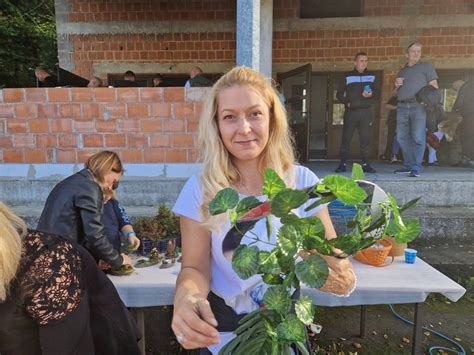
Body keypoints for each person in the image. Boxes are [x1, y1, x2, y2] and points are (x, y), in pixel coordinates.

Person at [171, 67, 356, 354]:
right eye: (229, 116)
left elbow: (331, 256)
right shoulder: (201, 188)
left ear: (272, 119)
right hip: (223, 334)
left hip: (283, 332)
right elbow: (195, 267)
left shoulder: (303, 182)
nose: (244, 128)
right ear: (216, 125)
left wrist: (341, 273)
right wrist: (186, 296)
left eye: (255, 114)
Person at [0, 202, 140, 355]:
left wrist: (119, 253)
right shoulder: (89, 191)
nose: (110, 188)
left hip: (61, 266)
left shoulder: (47, 260)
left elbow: (96, 234)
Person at [37, 150, 132, 269]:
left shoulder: (71, 182)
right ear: (107, 168)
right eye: (114, 182)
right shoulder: (89, 188)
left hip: (47, 252)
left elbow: (80, 229)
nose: (111, 187)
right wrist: (118, 259)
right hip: (60, 258)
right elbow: (95, 235)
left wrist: (99, 259)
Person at [394, 42, 438, 177]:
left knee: (418, 137)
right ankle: (408, 164)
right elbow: (396, 93)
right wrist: (396, 85)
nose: (416, 53)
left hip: (418, 106)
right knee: (401, 137)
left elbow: (434, 87)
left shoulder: (426, 67)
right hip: (401, 106)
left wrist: (428, 102)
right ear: (406, 54)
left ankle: (416, 166)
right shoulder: (402, 70)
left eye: (419, 51)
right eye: (413, 51)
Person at [335, 52, 380, 173]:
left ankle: (366, 164)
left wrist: (371, 96)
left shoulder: (372, 76)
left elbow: (377, 94)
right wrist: (347, 103)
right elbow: (339, 94)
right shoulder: (347, 76)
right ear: (355, 62)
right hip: (351, 112)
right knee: (346, 138)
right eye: (361, 61)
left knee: (365, 139)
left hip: (366, 112)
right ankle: (342, 164)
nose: (363, 63)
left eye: (366, 61)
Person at [102, 188, 140, 253]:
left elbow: (123, 220)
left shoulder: (113, 202)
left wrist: (130, 234)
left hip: (114, 250)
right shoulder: (88, 206)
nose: (107, 198)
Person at [453, 78, 474, 165]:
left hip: (470, 114)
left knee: (469, 136)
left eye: (455, 89)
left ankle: (471, 158)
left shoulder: (465, 86)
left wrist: (455, 109)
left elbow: (459, 101)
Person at [380, 95, 402, 163]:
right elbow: (387, 106)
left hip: (403, 122)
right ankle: (390, 156)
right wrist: (398, 107)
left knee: (400, 139)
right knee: (391, 138)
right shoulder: (395, 98)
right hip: (393, 121)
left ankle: (399, 157)